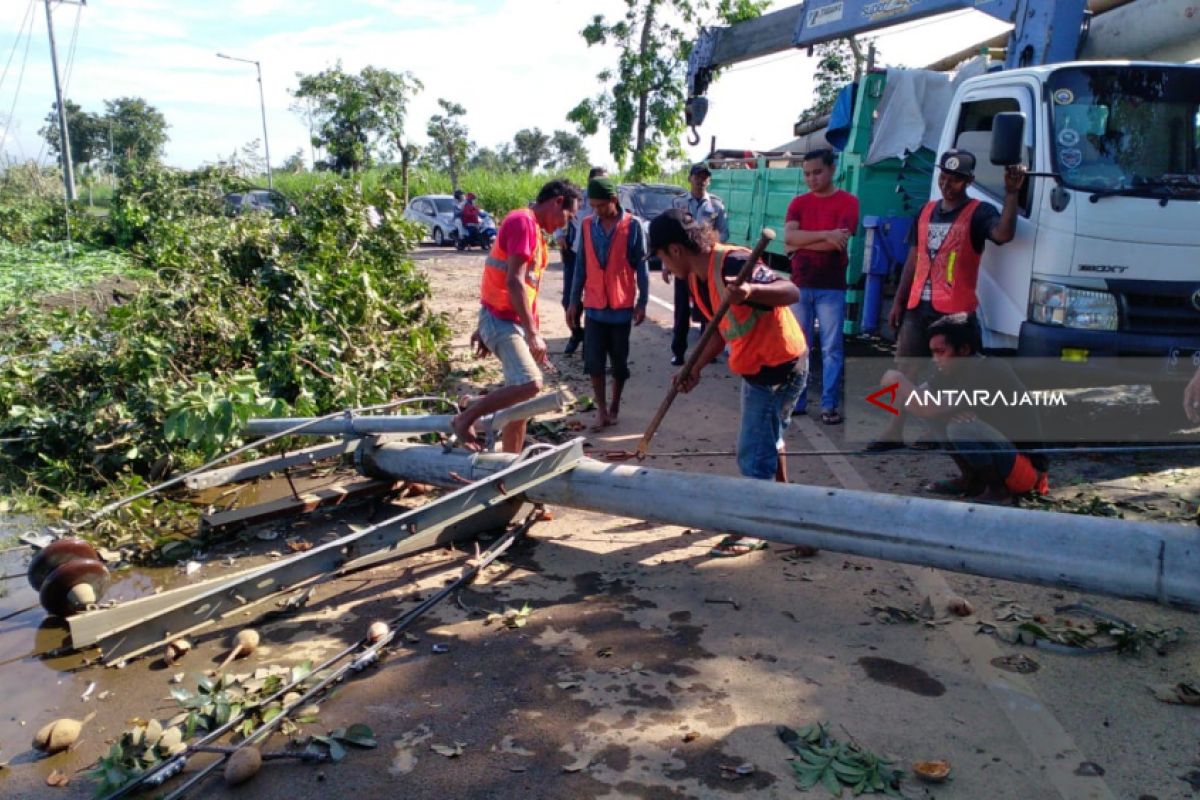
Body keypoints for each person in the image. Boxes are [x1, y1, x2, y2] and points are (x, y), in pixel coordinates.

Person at [649, 208, 808, 557]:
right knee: (769, 441)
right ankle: (796, 524)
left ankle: (755, 528)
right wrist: (695, 367)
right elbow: (719, 331)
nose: (663, 266)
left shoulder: (734, 263)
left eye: (661, 256)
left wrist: (751, 290)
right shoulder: (695, 278)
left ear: (675, 249)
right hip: (759, 367)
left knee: (754, 453)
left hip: (778, 368)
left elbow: (791, 291)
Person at [871, 149, 1027, 450]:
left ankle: (938, 433)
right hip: (918, 305)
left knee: (953, 374)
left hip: (955, 311)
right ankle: (893, 430)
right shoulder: (926, 211)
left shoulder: (979, 212)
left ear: (968, 181)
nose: (947, 184)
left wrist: (1011, 194)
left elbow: (1004, 234)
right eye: (944, 176)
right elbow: (913, 260)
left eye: (955, 179)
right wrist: (900, 302)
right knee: (906, 369)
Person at [451, 179, 582, 452]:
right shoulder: (523, 222)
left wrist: (522, 330)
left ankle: (509, 466)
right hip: (502, 320)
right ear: (557, 201)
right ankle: (467, 417)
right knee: (530, 383)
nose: (563, 224)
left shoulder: (533, 230)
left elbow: (516, 285)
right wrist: (531, 334)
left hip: (503, 320)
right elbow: (514, 282)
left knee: (519, 405)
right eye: (567, 216)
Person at [880, 313, 1049, 504]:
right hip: (1006, 456)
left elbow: (927, 406)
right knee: (943, 417)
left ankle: (999, 492)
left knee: (960, 427)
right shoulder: (953, 369)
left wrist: (898, 380)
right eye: (933, 353)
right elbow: (918, 403)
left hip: (1027, 473)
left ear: (964, 350)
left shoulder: (988, 370)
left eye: (941, 352)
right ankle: (971, 480)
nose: (935, 359)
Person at [783, 149, 859, 425]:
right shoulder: (798, 203)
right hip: (800, 285)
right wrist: (826, 234)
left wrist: (803, 241)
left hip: (832, 286)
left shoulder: (848, 202)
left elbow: (836, 243)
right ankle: (798, 402)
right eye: (807, 174)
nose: (812, 178)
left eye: (817, 172)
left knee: (831, 348)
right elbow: (787, 239)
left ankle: (829, 405)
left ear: (832, 169)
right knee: (800, 346)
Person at [567, 176, 649, 429]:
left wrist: (642, 301)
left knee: (619, 362)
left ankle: (615, 404)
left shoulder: (632, 226)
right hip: (593, 306)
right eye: (593, 206)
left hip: (621, 307)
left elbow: (642, 266)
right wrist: (573, 301)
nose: (597, 211)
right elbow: (580, 265)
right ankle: (601, 409)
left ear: (614, 200)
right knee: (593, 361)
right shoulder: (588, 225)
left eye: (601, 205)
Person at [667, 163, 728, 366]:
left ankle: (707, 351)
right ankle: (678, 352)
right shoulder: (678, 203)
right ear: (690, 179)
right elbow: (671, 234)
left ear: (708, 180)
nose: (701, 180)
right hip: (684, 265)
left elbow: (723, 234)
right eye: (697, 176)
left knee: (709, 310)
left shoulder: (716, 206)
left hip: (705, 266)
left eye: (705, 177)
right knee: (682, 310)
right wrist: (668, 264)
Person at [558, 166, 609, 355]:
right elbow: (561, 213)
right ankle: (576, 332)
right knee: (568, 300)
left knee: (594, 300)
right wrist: (559, 234)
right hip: (574, 253)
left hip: (598, 257)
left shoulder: (611, 200)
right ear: (589, 181)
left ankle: (591, 341)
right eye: (598, 181)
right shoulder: (578, 198)